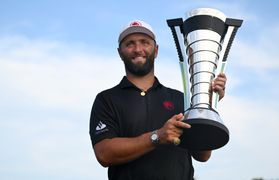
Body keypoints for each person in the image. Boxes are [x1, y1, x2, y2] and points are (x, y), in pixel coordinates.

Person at [89, 20, 227, 180]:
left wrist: (206, 106)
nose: (138, 49)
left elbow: (202, 155)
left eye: (144, 42)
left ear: (156, 50)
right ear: (120, 52)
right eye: (130, 44)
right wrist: (157, 137)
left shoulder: (180, 99)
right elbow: (104, 154)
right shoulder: (107, 99)